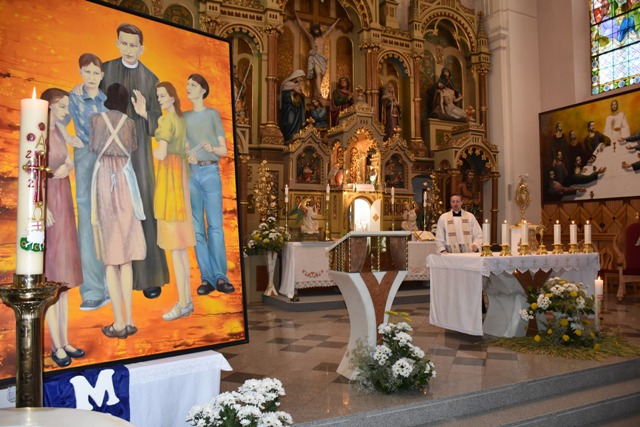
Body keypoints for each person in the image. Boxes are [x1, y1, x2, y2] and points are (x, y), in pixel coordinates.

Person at [100, 23, 169, 300]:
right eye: (124, 43)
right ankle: (112, 278)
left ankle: (149, 277)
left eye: (133, 45)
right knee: (111, 208)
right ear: (118, 43)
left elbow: (157, 124)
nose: (129, 49)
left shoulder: (151, 79)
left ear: (142, 48)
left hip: (138, 153)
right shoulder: (105, 70)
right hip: (108, 150)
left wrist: (144, 113)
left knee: (143, 206)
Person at [90, 83, 146, 339]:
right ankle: (130, 320)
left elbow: (94, 147)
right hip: (125, 181)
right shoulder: (130, 123)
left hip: (105, 181)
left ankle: (119, 322)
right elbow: (131, 147)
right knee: (127, 257)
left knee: (111, 259)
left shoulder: (96, 120)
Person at [41, 88, 84, 367]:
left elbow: (67, 160)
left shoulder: (58, 131)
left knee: (65, 281)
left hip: (64, 199)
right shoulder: (40, 134)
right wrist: (42, 205)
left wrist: (67, 166)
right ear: (48, 106)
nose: (66, 111)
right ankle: (56, 345)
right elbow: (33, 173)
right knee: (54, 276)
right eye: (62, 106)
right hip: (51, 203)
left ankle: (65, 340)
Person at [185, 74, 235, 297]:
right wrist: (187, 155)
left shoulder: (212, 115)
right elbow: (183, 147)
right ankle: (206, 278)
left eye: (193, 85)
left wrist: (212, 148)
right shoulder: (184, 117)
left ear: (203, 90)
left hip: (210, 171)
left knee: (214, 226)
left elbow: (224, 150)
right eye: (188, 84)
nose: (188, 88)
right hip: (192, 172)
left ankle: (220, 276)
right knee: (197, 228)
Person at [68, 53, 110, 311]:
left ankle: (111, 285)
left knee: (109, 220)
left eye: (96, 73)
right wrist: (67, 137)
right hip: (85, 158)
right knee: (86, 222)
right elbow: (55, 120)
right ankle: (93, 290)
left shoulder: (108, 101)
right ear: (80, 72)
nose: (92, 77)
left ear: (101, 75)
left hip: (108, 160)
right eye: (87, 72)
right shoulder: (73, 98)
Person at [154, 82, 196, 321]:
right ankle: (186, 301)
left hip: (170, 184)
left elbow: (161, 152)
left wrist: (153, 152)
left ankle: (183, 303)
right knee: (180, 251)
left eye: (162, 95)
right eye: (158, 96)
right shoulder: (180, 120)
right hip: (180, 183)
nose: (160, 99)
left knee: (176, 250)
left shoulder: (166, 120)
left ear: (172, 97)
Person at [294, 11, 340, 97]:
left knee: (321, 75)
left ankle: (316, 92)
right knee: (318, 74)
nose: (316, 31)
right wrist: (296, 16)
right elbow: (302, 27)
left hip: (322, 58)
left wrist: (337, 21)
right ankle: (319, 92)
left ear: (319, 30)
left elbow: (330, 29)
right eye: (314, 30)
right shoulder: (311, 38)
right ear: (313, 31)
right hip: (315, 57)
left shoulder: (323, 37)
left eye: (317, 29)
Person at [280, 69, 306, 142]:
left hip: (297, 110)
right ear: (296, 76)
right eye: (301, 77)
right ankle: (288, 138)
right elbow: (284, 97)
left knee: (297, 124)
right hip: (289, 109)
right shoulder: (286, 85)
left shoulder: (297, 86)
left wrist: (299, 93)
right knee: (290, 122)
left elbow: (303, 97)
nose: (301, 79)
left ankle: (296, 138)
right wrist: (293, 93)